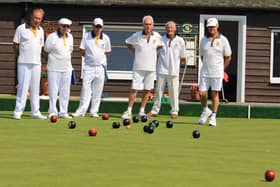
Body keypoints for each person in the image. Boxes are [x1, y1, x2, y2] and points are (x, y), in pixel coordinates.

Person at [122, 15, 163, 119]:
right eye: (146, 24)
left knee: (147, 90)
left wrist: (153, 53)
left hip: (151, 68)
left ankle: (141, 111)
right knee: (134, 89)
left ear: (153, 25)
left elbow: (161, 46)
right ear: (143, 25)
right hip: (138, 67)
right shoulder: (136, 35)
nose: (148, 26)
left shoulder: (157, 36)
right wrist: (134, 51)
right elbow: (126, 42)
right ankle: (129, 111)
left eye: (150, 24)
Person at [72, 18, 111, 117]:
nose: (98, 28)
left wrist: (100, 59)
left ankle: (94, 111)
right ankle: (81, 111)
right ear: (93, 26)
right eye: (96, 26)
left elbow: (107, 52)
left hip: (101, 67)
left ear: (102, 28)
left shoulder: (106, 38)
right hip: (89, 67)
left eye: (100, 27)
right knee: (85, 89)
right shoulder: (86, 36)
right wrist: (90, 58)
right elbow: (81, 50)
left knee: (98, 90)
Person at [13, 8, 47, 120]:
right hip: (23, 63)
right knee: (23, 88)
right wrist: (22, 56)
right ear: (31, 17)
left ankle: (35, 112)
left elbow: (41, 47)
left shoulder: (41, 30)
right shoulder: (21, 28)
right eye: (36, 18)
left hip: (36, 63)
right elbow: (15, 45)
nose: (37, 20)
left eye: (39, 19)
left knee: (35, 89)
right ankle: (18, 112)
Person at [147, 21, 186, 119]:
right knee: (158, 91)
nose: (170, 30)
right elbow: (155, 52)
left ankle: (174, 111)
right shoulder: (160, 39)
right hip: (161, 70)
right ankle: (155, 111)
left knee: (173, 92)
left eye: (171, 28)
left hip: (174, 71)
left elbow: (183, 57)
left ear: (175, 29)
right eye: (168, 28)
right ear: (166, 29)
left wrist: (176, 64)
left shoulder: (180, 40)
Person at [198, 18, 232, 126]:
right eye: (209, 27)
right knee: (202, 93)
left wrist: (222, 69)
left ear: (217, 26)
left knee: (214, 94)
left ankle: (213, 116)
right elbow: (202, 56)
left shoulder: (223, 40)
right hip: (205, 72)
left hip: (217, 72)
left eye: (213, 26)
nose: (211, 29)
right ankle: (205, 110)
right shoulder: (203, 40)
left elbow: (228, 57)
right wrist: (207, 65)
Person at [44, 18, 74, 119]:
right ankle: (52, 112)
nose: (65, 28)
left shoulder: (70, 37)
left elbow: (70, 51)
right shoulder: (51, 37)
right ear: (59, 26)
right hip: (53, 68)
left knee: (65, 91)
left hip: (67, 68)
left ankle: (63, 112)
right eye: (64, 26)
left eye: (67, 26)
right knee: (53, 91)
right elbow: (46, 50)